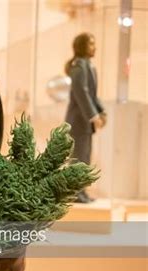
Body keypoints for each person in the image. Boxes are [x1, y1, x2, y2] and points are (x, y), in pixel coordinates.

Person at [65, 32, 106, 203]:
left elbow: (92, 95)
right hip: (78, 121)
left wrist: (101, 111)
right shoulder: (79, 67)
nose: (94, 47)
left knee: (85, 157)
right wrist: (93, 115)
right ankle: (74, 193)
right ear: (82, 47)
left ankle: (80, 192)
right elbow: (82, 94)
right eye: (91, 44)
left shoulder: (89, 67)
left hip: (85, 123)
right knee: (78, 157)